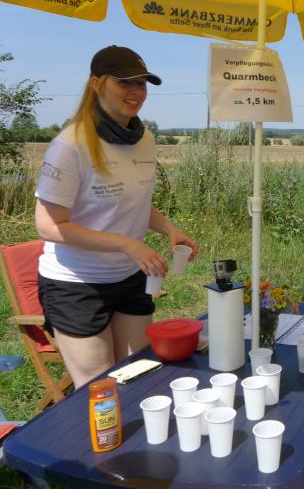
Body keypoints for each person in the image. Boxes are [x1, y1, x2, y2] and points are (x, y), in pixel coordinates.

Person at [35, 45, 197, 389]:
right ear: (97, 84)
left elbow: (132, 203)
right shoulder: (70, 144)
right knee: (100, 389)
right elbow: (48, 225)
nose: (136, 92)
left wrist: (170, 229)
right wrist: (127, 244)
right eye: (125, 82)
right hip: (76, 284)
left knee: (138, 376)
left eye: (142, 84)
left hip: (129, 276)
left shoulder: (145, 140)